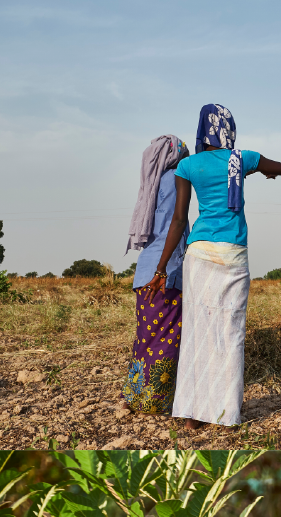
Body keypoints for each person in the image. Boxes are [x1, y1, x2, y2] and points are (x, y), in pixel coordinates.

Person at [141, 104, 281, 431]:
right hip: (233, 253)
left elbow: (180, 220)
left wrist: (160, 268)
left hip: (199, 253)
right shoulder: (242, 160)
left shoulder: (187, 166)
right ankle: (225, 416)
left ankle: (191, 417)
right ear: (229, 130)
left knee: (198, 332)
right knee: (230, 332)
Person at [122, 135, 190, 415]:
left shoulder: (151, 184)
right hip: (165, 271)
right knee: (166, 338)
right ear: (176, 157)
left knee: (145, 339)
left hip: (144, 272)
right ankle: (155, 402)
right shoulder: (177, 179)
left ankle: (135, 397)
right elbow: (178, 221)